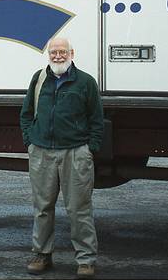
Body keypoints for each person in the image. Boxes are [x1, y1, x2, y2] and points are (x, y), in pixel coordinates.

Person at [19, 37, 104, 278]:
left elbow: (96, 120)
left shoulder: (85, 82)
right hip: (42, 152)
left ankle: (86, 260)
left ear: (72, 53)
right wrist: (30, 141)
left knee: (79, 208)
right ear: (48, 54)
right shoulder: (39, 79)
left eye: (62, 52)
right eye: (54, 52)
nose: (58, 56)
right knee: (43, 207)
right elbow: (26, 113)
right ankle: (41, 254)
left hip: (75, 153)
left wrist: (90, 148)